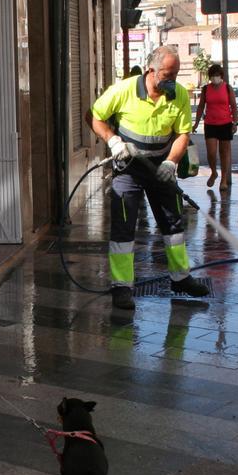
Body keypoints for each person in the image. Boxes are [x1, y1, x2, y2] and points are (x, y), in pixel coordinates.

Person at [89, 46, 211, 310]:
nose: (173, 80)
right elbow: (95, 116)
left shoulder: (177, 94)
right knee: (123, 225)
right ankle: (122, 286)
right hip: (129, 168)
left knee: (173, 223)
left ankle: (180, 278)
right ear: (151, 70)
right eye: (168, 74)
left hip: (160, 169)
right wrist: (113, 141)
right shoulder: (124, 90)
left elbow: (182, 134)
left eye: (176, 74)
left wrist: (171, 162)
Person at [192, 63, 238, 190]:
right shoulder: (206, 89)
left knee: (224, 152)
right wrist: (196, 123)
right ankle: (213, 172)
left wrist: (235, 122)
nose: (215, 78)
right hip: (210, 124)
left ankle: (223, 179)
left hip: (225, 123)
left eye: (217, 75)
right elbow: (201, 106)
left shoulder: (227, 88)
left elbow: (233, 106)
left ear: (221, 76)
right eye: (212, 76)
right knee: (211, 153)